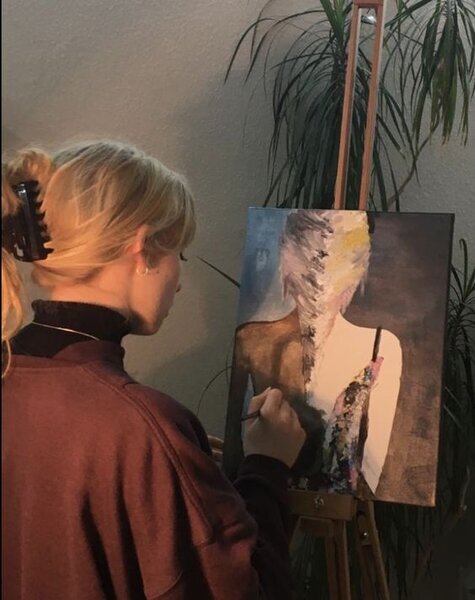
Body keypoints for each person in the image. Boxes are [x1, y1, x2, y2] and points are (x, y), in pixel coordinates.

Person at [1, 140, 306, 600]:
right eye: (179, 255)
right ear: (142, 249)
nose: (179, 283)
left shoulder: (15, 376)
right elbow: (247, 588)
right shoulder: (144, 427)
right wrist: (268, 463)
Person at [225, 209, 402, 496]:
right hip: (263, 496)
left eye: (334, 257)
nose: (318, 274)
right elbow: (239, 455)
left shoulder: (381, 347)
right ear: (287, 256)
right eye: (309, 253)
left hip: (298, 501)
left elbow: (370, 475)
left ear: (356, 266)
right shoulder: (252, 340)